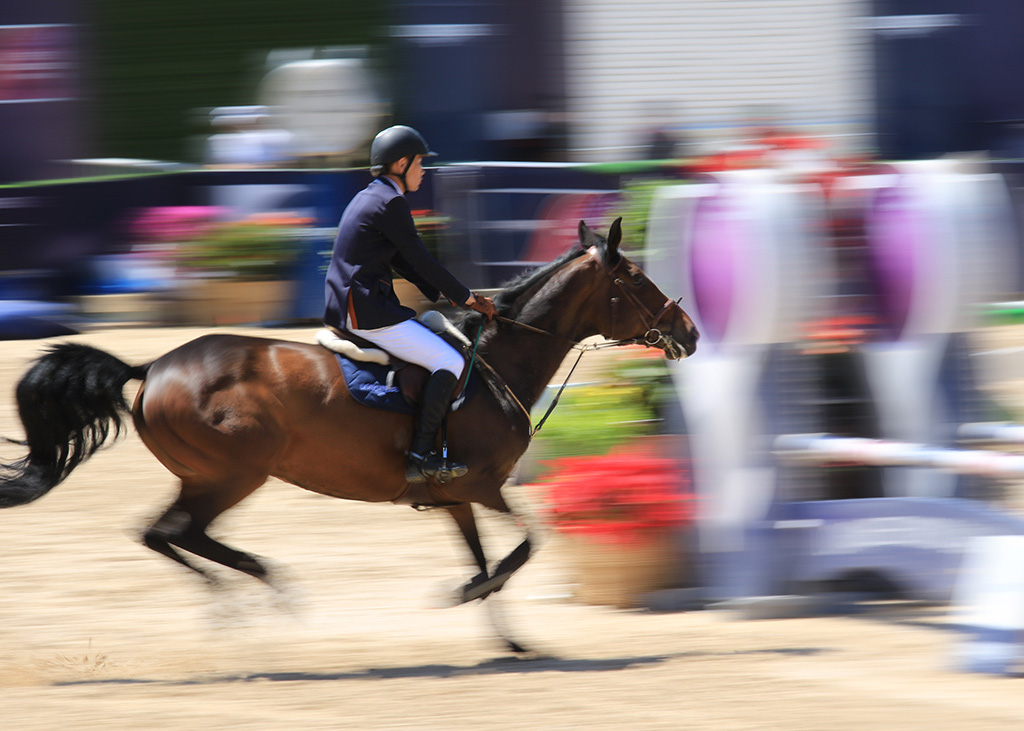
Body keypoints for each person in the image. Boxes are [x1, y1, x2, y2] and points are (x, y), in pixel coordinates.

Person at [324, 125, 497, 483]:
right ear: (401, 163)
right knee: (449, 359)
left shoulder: (371, 195)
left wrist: (447, 295)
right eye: (420, 162)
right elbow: (422, 260)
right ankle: (421, 455)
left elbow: (403, 260)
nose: (424, 170)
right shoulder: (391, 202)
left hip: (352, 302)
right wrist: (467, 297)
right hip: (365, 309)